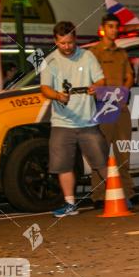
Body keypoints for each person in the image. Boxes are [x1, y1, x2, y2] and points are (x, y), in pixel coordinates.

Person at [39, 21, 108, 218]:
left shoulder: (87, 56)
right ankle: (70, 204)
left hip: (88, 122)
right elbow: (44, 88)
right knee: (63, 166)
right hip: (62, 122)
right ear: (55, 41)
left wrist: (97, 86)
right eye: (62, 43)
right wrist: (57, 96)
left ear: (75, 39)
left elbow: (101, 80)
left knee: (102, 162)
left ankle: (118, 197)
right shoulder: (50, 61)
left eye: (69, 42)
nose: (66, 47)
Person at [89, 14, 136, 210]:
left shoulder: (122, 53)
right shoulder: (94, 53)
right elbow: (91, 79)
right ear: (103, 29)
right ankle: (99, 195)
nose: (114, 30)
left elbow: (129, 76)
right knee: (101, 152)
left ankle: (127, 193)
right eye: (110, 26)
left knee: (123, 152)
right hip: (104, 105)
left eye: (116, 26)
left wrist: (124, 92)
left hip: (121, 106)